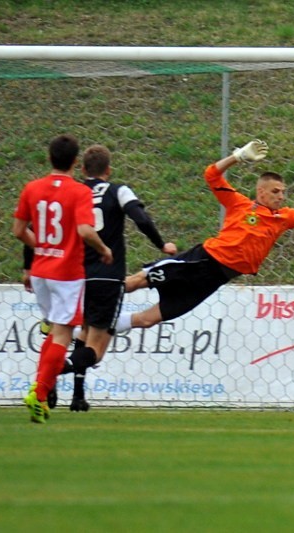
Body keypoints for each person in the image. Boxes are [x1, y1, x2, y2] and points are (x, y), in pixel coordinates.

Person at [114, 139, 294, 332]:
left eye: (283, 192)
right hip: (203, 261)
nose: (281, 196)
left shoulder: (283, 219)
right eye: (276, 191)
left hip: (217, 278)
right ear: (260, 191)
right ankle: (85, 301)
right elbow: (211, 175)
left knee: (149, 320)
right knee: (138, 280)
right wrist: (237, 157)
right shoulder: (239, 204)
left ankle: (98, 323)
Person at [58, 144, 177, 412]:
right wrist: (161, 245)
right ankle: (51, 371)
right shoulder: (118, 190)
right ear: (108, 170)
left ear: (83, 169)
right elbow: (141, 218)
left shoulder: (73, 192)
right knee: (96, 351)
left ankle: (77, 395)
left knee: (84, 333)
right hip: (107, 279)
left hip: (74, 278)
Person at [12, 134, 113, 424]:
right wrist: (103, 249)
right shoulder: (80, 192)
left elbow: (19, 230)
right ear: (75, 162)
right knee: (62, 334)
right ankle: (39, 393)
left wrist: (42, 247)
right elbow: (84, 231)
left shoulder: (32, 188)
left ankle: (40, 394)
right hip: (67, 274)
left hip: (41, 271)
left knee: (53, 331)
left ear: (49, 158)